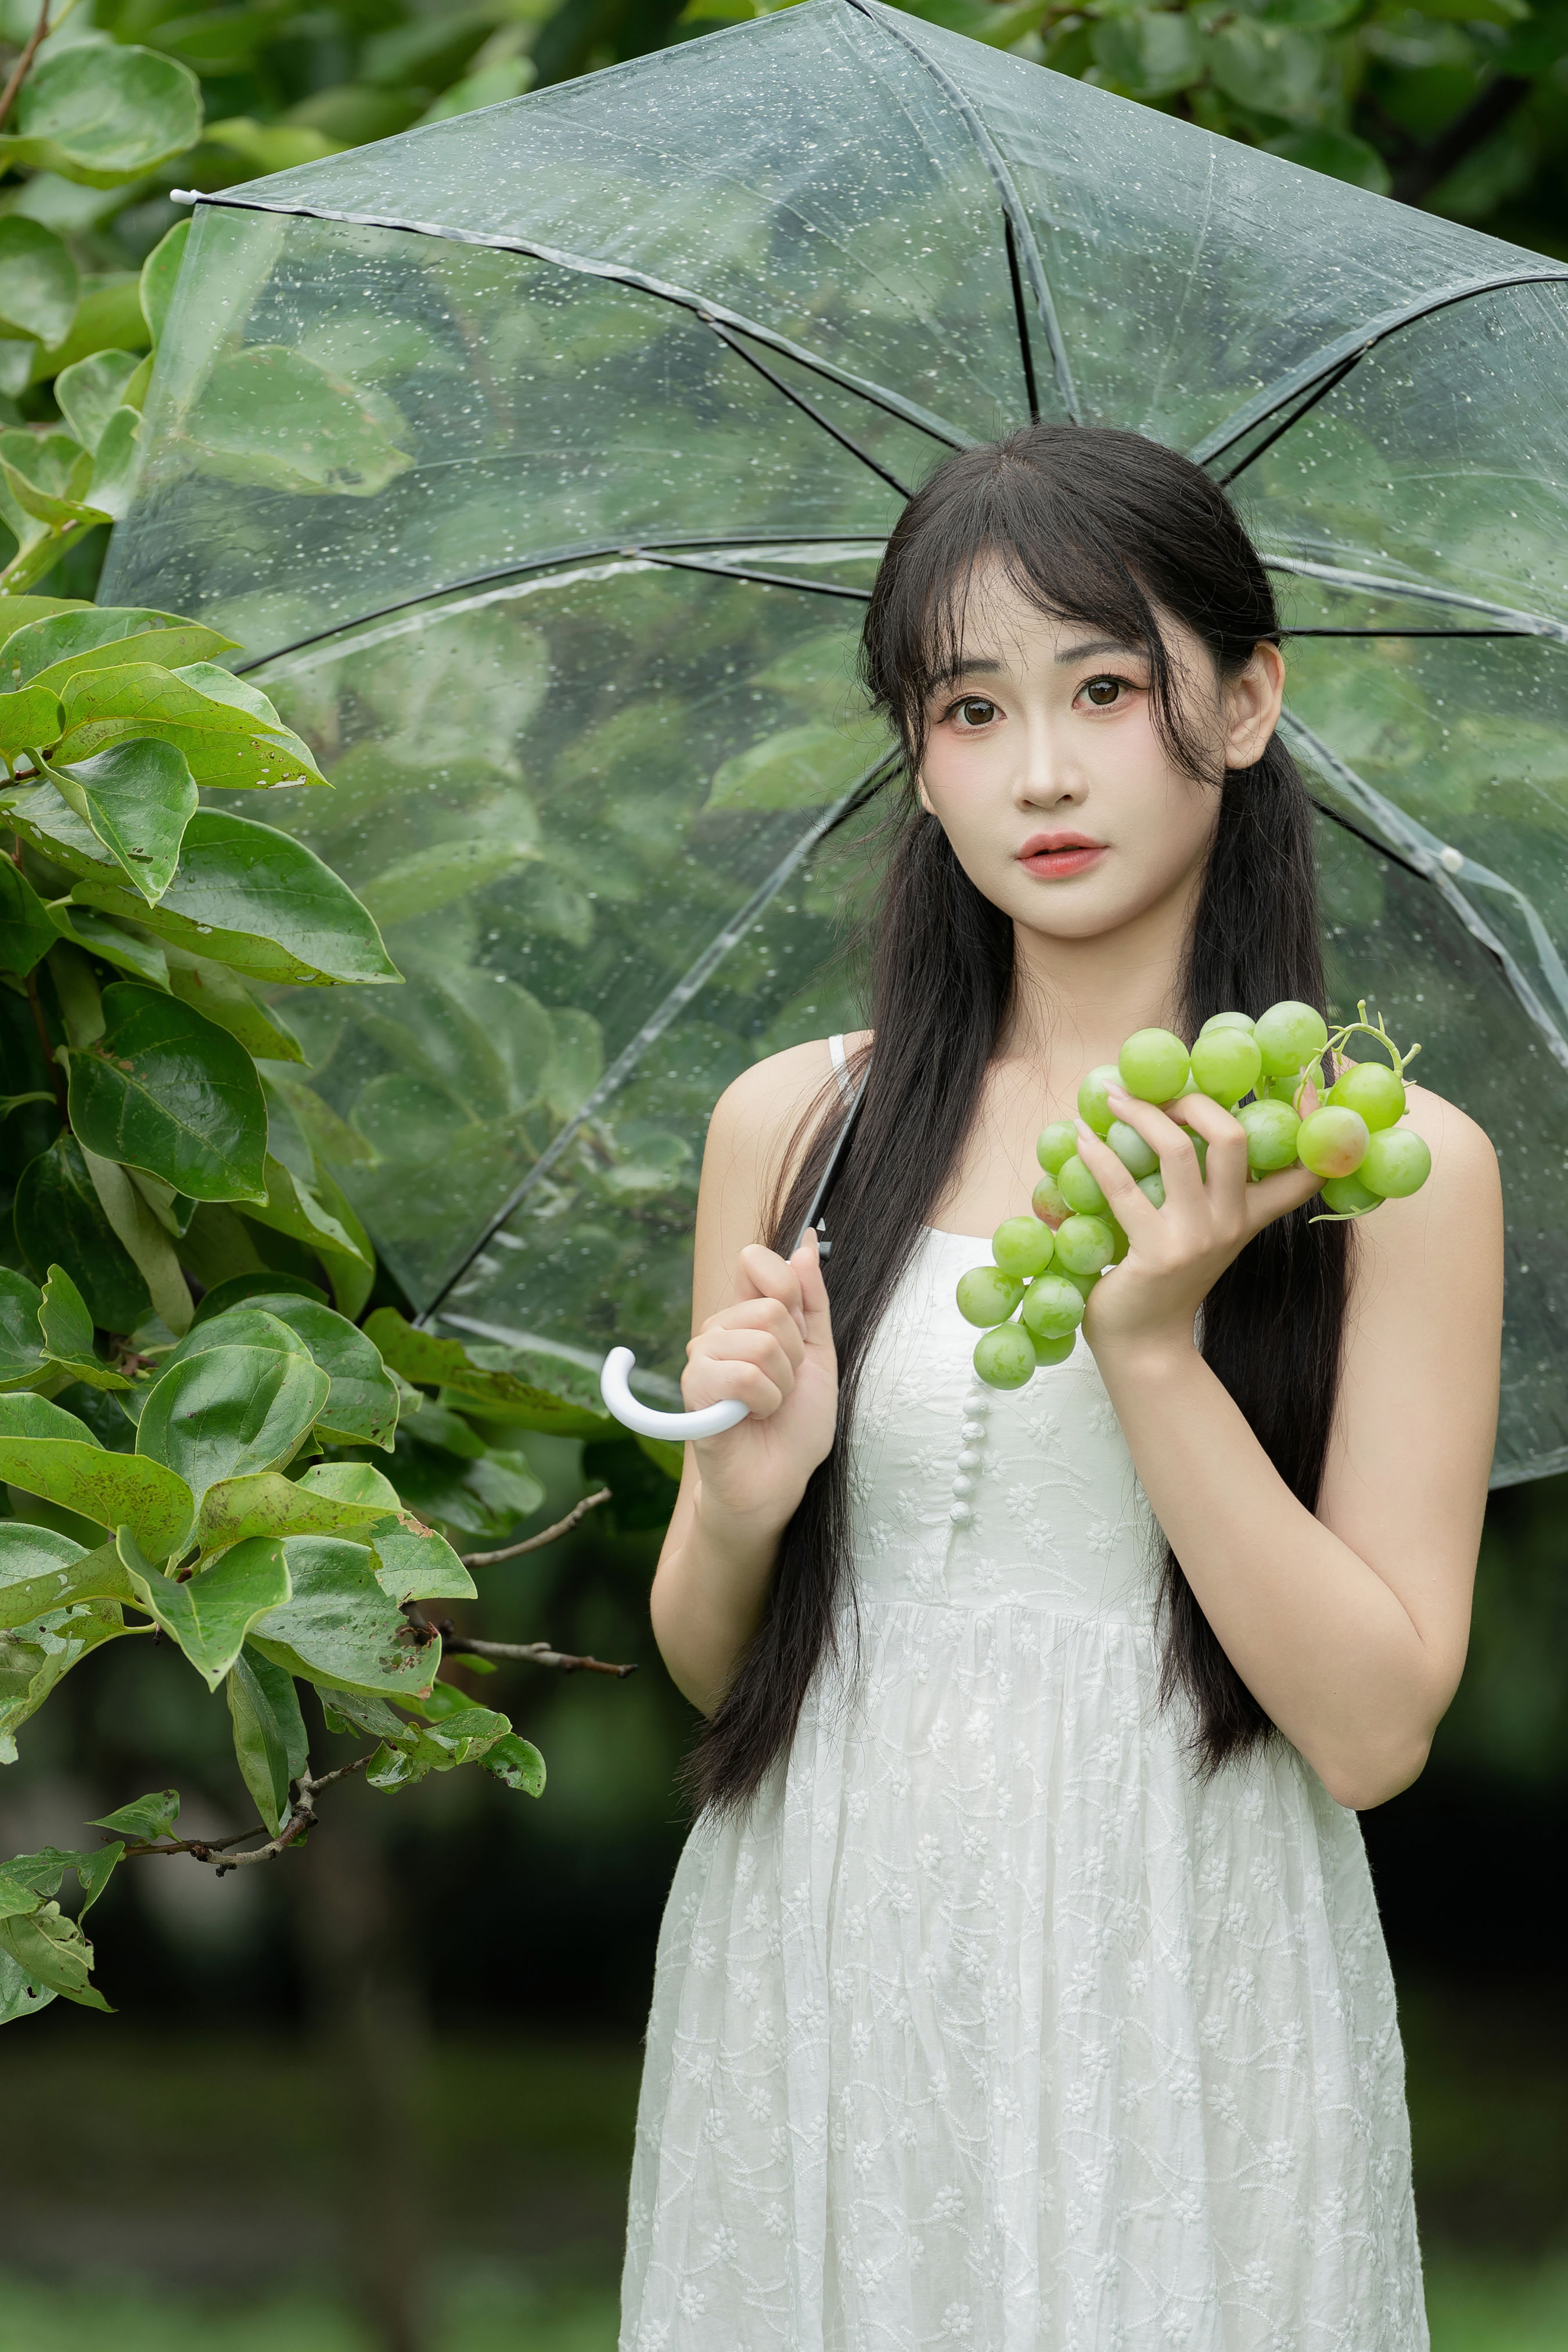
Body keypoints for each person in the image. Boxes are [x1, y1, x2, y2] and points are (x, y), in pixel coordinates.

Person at [619, 423, 1502, 2351]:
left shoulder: (1387, 1165)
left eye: (1104, 688)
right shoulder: (796, 1126)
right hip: (826, 1932)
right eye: (967, 705)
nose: (1038, 770)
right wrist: (742, 1496)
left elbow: (1369, 1729)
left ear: (1245, 698)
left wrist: (1153, 1344)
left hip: (1176, 1949)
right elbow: (711, 1661)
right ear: (915, 756)